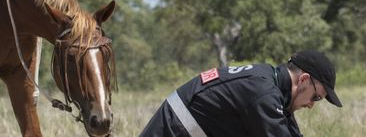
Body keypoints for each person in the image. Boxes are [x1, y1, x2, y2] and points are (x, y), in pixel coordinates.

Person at [139, 50, 341, 137]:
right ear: (304, 79)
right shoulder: (264, 94)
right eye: (316, 97)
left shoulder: (272, 85)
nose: (312, 104)